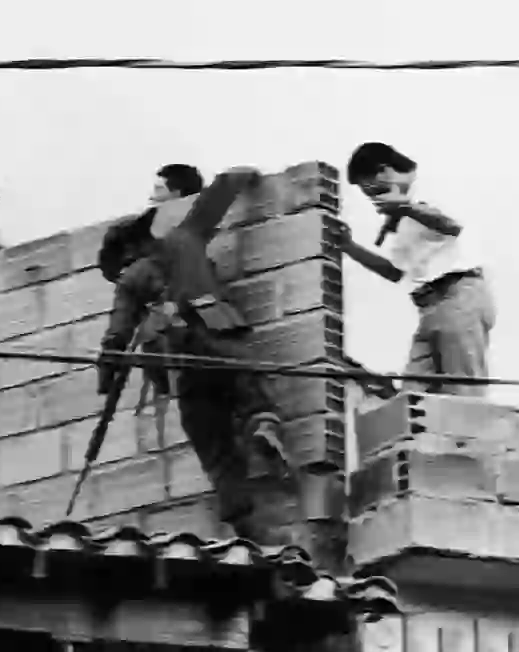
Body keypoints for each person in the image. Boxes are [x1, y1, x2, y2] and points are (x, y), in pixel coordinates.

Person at [96, 166, 293, 537]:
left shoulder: (129, 281)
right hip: (219, 334)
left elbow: (115, 338)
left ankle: (244, 522)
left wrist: (106, 379)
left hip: (182, 364)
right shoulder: (187, 237)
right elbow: (218, 192)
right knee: (249, 386)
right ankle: (263, 424)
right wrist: (245, 175)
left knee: (212, 442)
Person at [332, 142, 493, 396]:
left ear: (384, 171)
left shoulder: (431, 183)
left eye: (373, 191)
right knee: (412, 398)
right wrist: (350, 247)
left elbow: (451, 225)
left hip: (458, 296)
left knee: (463, 395)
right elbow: (396, 272)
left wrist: (406, 207)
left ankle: (470, 437)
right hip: (429, 308)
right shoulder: (401, 216)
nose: (375, 200)